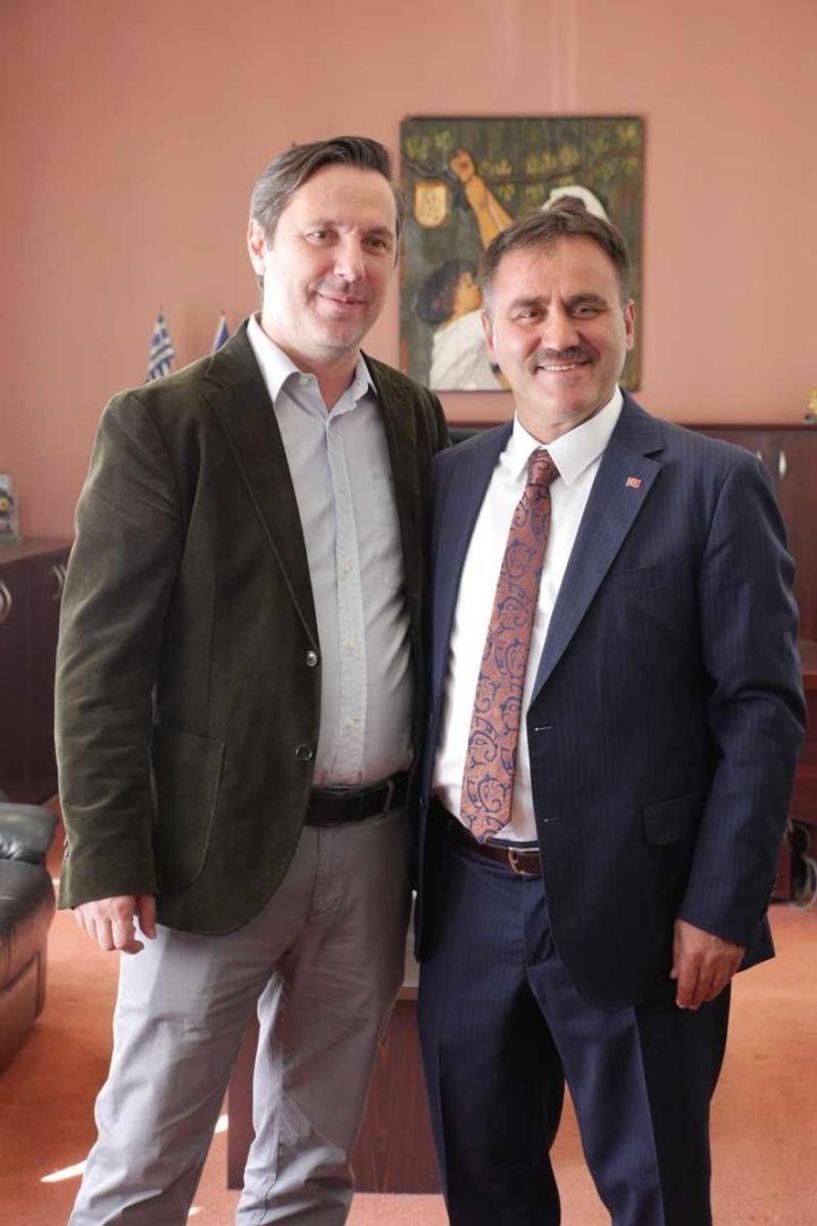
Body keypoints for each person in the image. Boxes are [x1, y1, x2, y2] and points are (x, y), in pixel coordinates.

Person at [55, 134, 448, 1225]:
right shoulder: (164, 422)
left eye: (375, 240)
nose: (350, 265)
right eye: (322, 234)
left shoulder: (413, 417)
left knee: (310, 1166)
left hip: (372, 855)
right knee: (144, 1163)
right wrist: (105, 854)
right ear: (260, 244)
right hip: (208, 852)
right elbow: (98, 662)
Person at [415, 199, 804, 1225]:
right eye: (529, 310)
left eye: (585, 306)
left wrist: (721, 904)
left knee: (654, 1192)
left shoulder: (711, 485)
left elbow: (760, 711)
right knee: (485, 1187)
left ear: (627, 319)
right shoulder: (448, 482)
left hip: (643, 907)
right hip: (465, 898)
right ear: (489, 334)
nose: (559, 333)